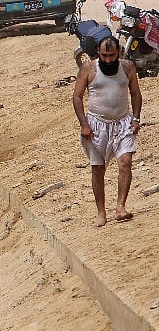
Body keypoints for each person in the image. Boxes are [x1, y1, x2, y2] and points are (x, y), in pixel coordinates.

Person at [73, 36, 141, 227]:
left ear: (118, 52)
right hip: (96, 125)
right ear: (98, 53)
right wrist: (84, 124)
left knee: (126, 162)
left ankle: (120, 207)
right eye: (104, 56)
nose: (109, 60)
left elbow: (135, 93)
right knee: (98, 169)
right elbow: (77, 97)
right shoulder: (88, 68)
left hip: (123, 123)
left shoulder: (128, 67)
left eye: (112, 55)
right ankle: (101, 212)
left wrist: (135, 119)